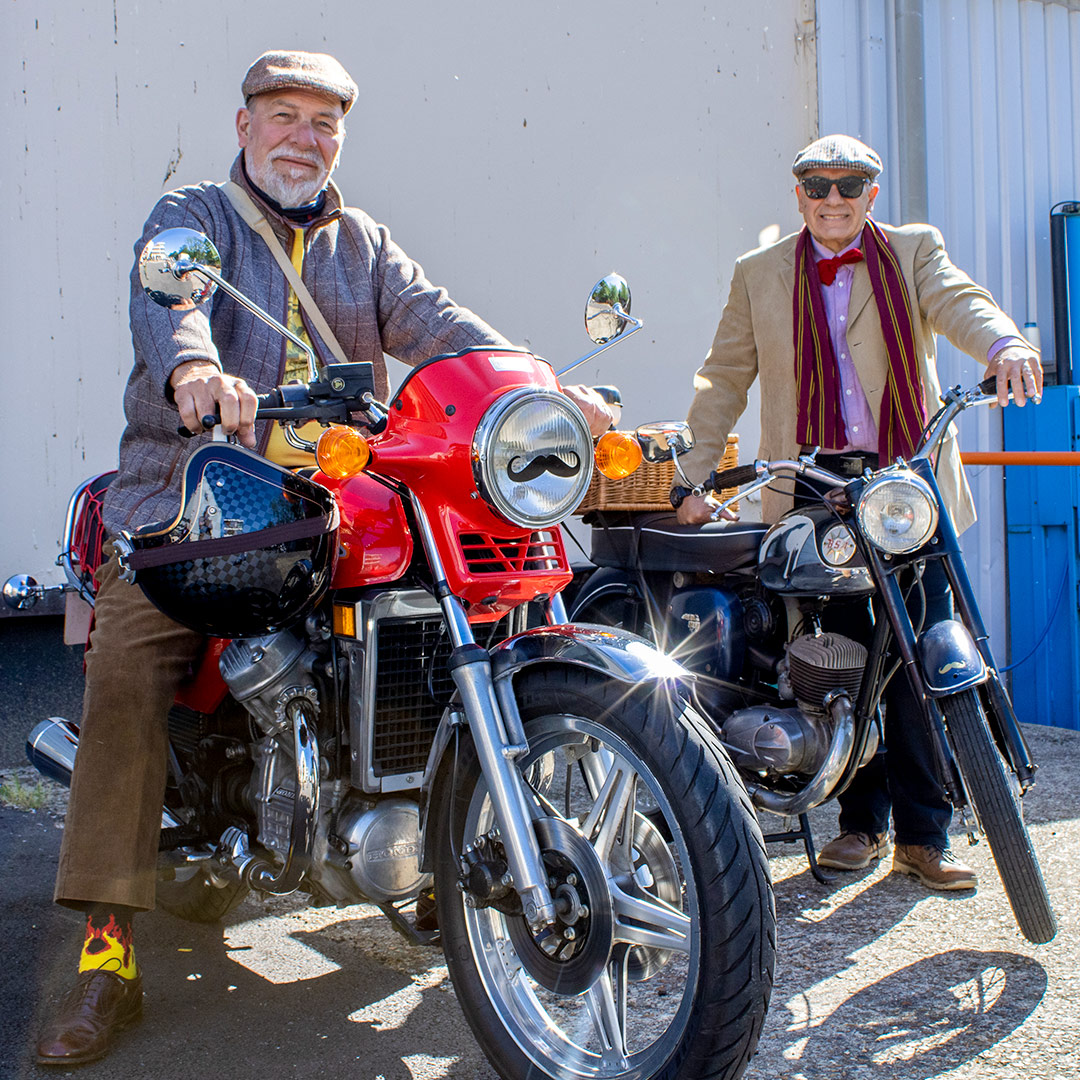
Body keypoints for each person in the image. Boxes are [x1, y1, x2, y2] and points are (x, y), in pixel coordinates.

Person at [36, 49, 612, 1067]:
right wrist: (198, 368)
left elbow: (441, 327)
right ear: (247, 123)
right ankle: (106, 946)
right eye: (287, 115)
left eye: (326, 122)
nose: (307, 136)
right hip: (200, 499)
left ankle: (436, 846)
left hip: (340, 498)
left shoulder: (364, 241)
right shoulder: (200, 217)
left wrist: (540, 395)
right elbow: (164, 303)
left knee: (460, 609)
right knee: (132, 665)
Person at [675, 133, 1042, 892]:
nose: (833, 199)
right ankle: (861, 827)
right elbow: (723, 379)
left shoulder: (911, 251)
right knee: (837, 663)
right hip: (813, 488)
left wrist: (1003, 343)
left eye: (850, 186)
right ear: (798, 193)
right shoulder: (759, 275)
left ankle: (925, 835)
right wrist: (690, 476)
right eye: (818, 185)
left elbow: (960, 302)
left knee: (920, 661)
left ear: (872, 194)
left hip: (905, 483)